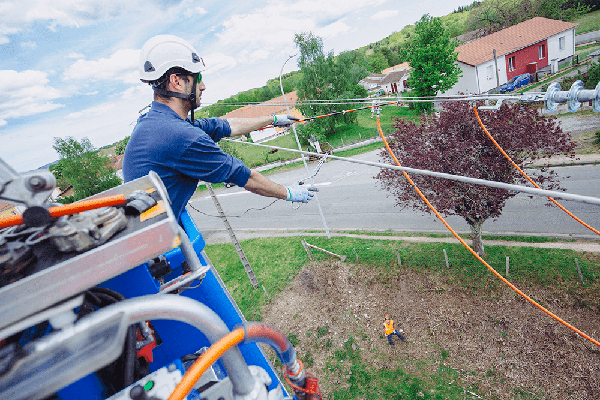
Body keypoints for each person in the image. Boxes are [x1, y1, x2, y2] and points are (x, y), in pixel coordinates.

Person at [123, 35, 316, 222]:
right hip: (161, 245)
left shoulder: (156, 123)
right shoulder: (180, 136)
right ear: (177, 82)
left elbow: (224, 126)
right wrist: (288, 193)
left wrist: (272, 119)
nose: (203, 86)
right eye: (197, 77)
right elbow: (243, 176)